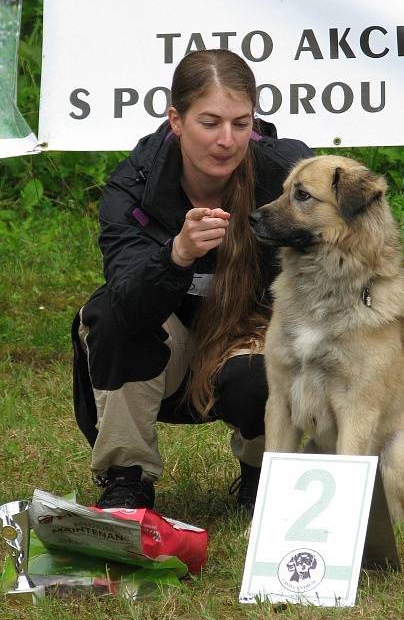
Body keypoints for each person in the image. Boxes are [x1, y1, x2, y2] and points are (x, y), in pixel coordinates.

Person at [71, 49, 312, 512]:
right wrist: (177, 255)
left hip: (254, 337)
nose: (227, 140)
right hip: (169, 354)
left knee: (264, 365)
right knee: (107, 316)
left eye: (241, 123)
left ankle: (265, 470)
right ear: (176, 121)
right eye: (210, 123)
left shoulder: (289, 175)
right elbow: (127, 305)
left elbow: (349, 245)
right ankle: (127, 479)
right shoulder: (133, 186)